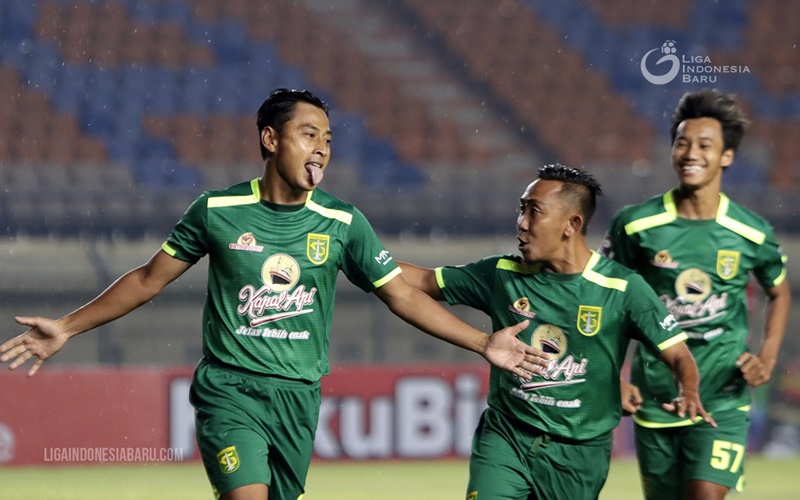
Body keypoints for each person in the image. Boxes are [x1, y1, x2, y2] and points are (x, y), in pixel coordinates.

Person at [0, 88, 551, 500]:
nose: (322, 149)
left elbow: (402, 297)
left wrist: (483, 343)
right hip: (230, 390)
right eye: (309, 134)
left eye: (329, 139)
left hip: (298, 399)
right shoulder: (216, 211)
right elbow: (148, 279)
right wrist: (67, 327)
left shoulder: (343, 222)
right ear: (271, 139)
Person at [399, 163, 714, 499]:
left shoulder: (622, 288)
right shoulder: (502, 274)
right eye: (522, 210)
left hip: (579, 456)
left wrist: (689, 391)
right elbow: (422, 280)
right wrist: (362, 256)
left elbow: (678, 353)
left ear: (572, 224)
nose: (521, 223)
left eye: (534, 212)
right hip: (508, 436)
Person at [599, 89, 791, 500]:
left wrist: (767, 357)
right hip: (657, 396)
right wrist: (612, 375)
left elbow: (779, 293)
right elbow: (603, 299)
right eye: (682, 142)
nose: (690, 152)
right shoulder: (636, 225)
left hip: (723, 395)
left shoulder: (750, 232)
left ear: (727, 156)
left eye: (705, 144)